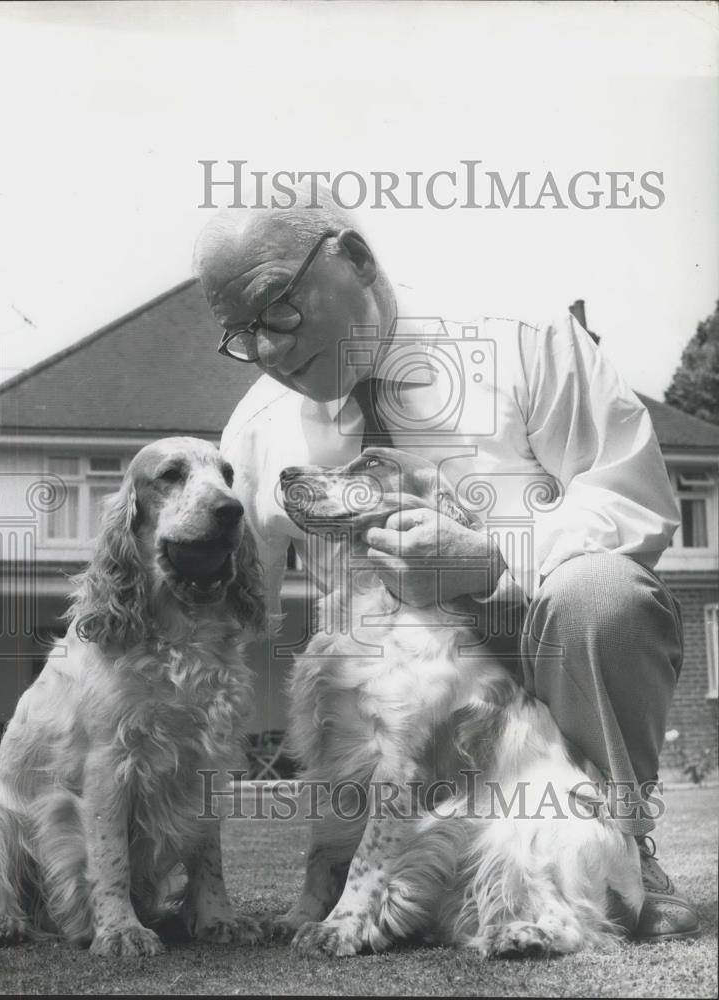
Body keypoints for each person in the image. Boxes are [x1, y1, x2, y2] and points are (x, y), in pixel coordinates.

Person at [192, 191, 701, 942]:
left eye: (278, 309)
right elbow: (219, 630)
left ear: (355, 260)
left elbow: (636, 499)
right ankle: (377, 877)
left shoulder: (522, 338)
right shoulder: (258, 432)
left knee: (604, 593)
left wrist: (489, 560)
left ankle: (615, 845)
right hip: (388, 743)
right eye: (241, 334)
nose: (267, 351)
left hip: (541, 697)